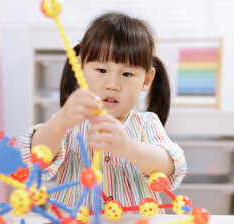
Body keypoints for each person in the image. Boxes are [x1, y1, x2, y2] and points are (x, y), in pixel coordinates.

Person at [21, 12, 186, 213]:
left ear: (146, 80)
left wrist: (128, 148)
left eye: (127, 74)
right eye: (101, 70)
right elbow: (36, 159)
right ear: (80, 69)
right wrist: (60, 121)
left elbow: (169, 168)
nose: (112, 84)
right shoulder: (67, 122)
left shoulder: (147, 123)